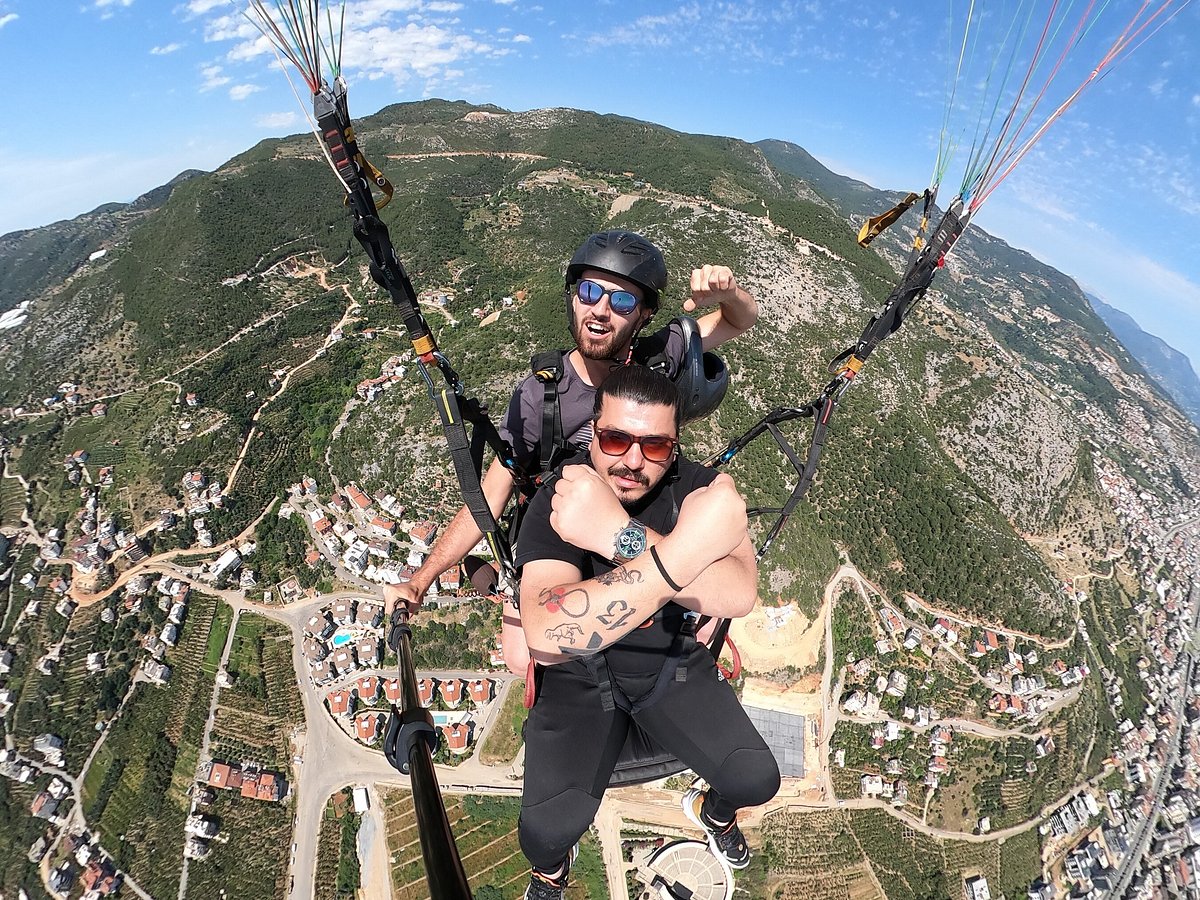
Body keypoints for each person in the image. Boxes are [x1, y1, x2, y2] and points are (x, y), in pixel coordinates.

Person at [383, 230, 759, 672]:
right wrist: (421, 580)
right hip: (559, 527)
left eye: (621, 302)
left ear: (642, 316)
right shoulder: (539, 395)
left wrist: (728, 291)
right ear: (573, 298)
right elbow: (490, 494)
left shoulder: (658, 358)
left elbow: (738, 320)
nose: (600, 310)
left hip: (639, 510)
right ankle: (505, 585)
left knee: (697, 629)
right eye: (589, 291)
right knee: (525, 661)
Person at [515, 366, 780, 899]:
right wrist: (670, 551)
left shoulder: (700, 491)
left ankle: (713, 811)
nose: (633, 460)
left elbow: (738, 593)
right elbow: (546, 634)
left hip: (669, 665)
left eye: (655, 446)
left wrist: (617, 536)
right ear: (593, 433)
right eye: (616, 439)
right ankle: (552, 871)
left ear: (675, 447)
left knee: (756, 780)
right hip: (579, 682)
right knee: (543, 833)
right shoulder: (563, 497)